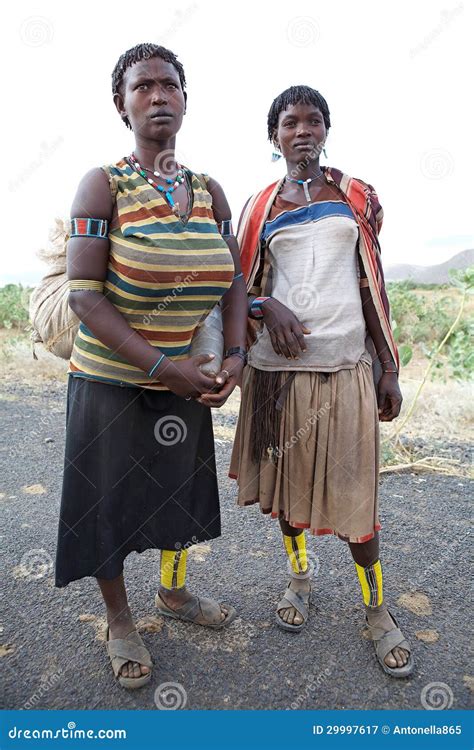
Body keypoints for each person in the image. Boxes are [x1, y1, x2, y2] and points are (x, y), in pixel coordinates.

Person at [54, 43, 248, 689]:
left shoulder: (208, 189)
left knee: (173, 499)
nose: (158, 95)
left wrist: (238, 359)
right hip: (113, 381)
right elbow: (85, 296)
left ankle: (172, 594)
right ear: (123, 104)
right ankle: (118, 620)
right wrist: (164, 367)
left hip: (187, 379)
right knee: (108, 505)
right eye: (143, 87)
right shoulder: (103, 184)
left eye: (169, 85)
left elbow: (233, 283)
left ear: (185, 100)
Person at [229, 85, 414, 677]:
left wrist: (387, 366)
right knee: (288, 492)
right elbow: (237, 287)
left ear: (326, 130)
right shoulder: (260, 207)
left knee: (357, 497)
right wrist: (265, 308)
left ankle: (377, 610)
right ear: (274, 137)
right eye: (289, 122)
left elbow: (370, 284)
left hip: (345, 367)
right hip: (278, 374)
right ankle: (299, 578)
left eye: (313, 120)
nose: (301, 130)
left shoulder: (355, 196)